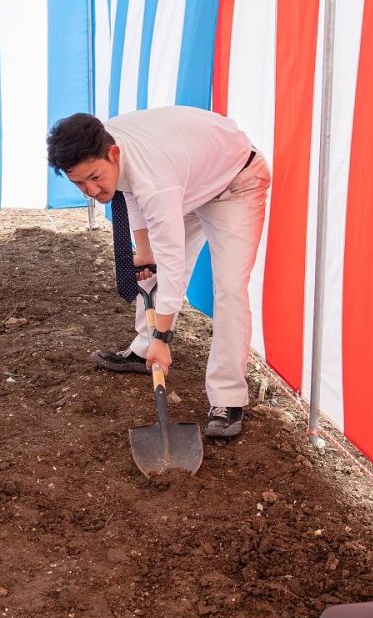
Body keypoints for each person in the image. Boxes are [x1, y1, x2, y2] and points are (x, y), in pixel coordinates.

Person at [46, 106, 271, 438]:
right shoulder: (100, 140)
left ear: (114, 153)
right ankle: (145, 348)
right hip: (190, 176)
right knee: (149, 266)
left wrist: (164, 338)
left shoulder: (155, 181)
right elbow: (128, 189)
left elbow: (173, 264)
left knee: (229, 288)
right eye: (80, 184)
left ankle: (228, 397)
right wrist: (143, 249)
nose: (92, 191)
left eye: (95, 178)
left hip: (236, 181)